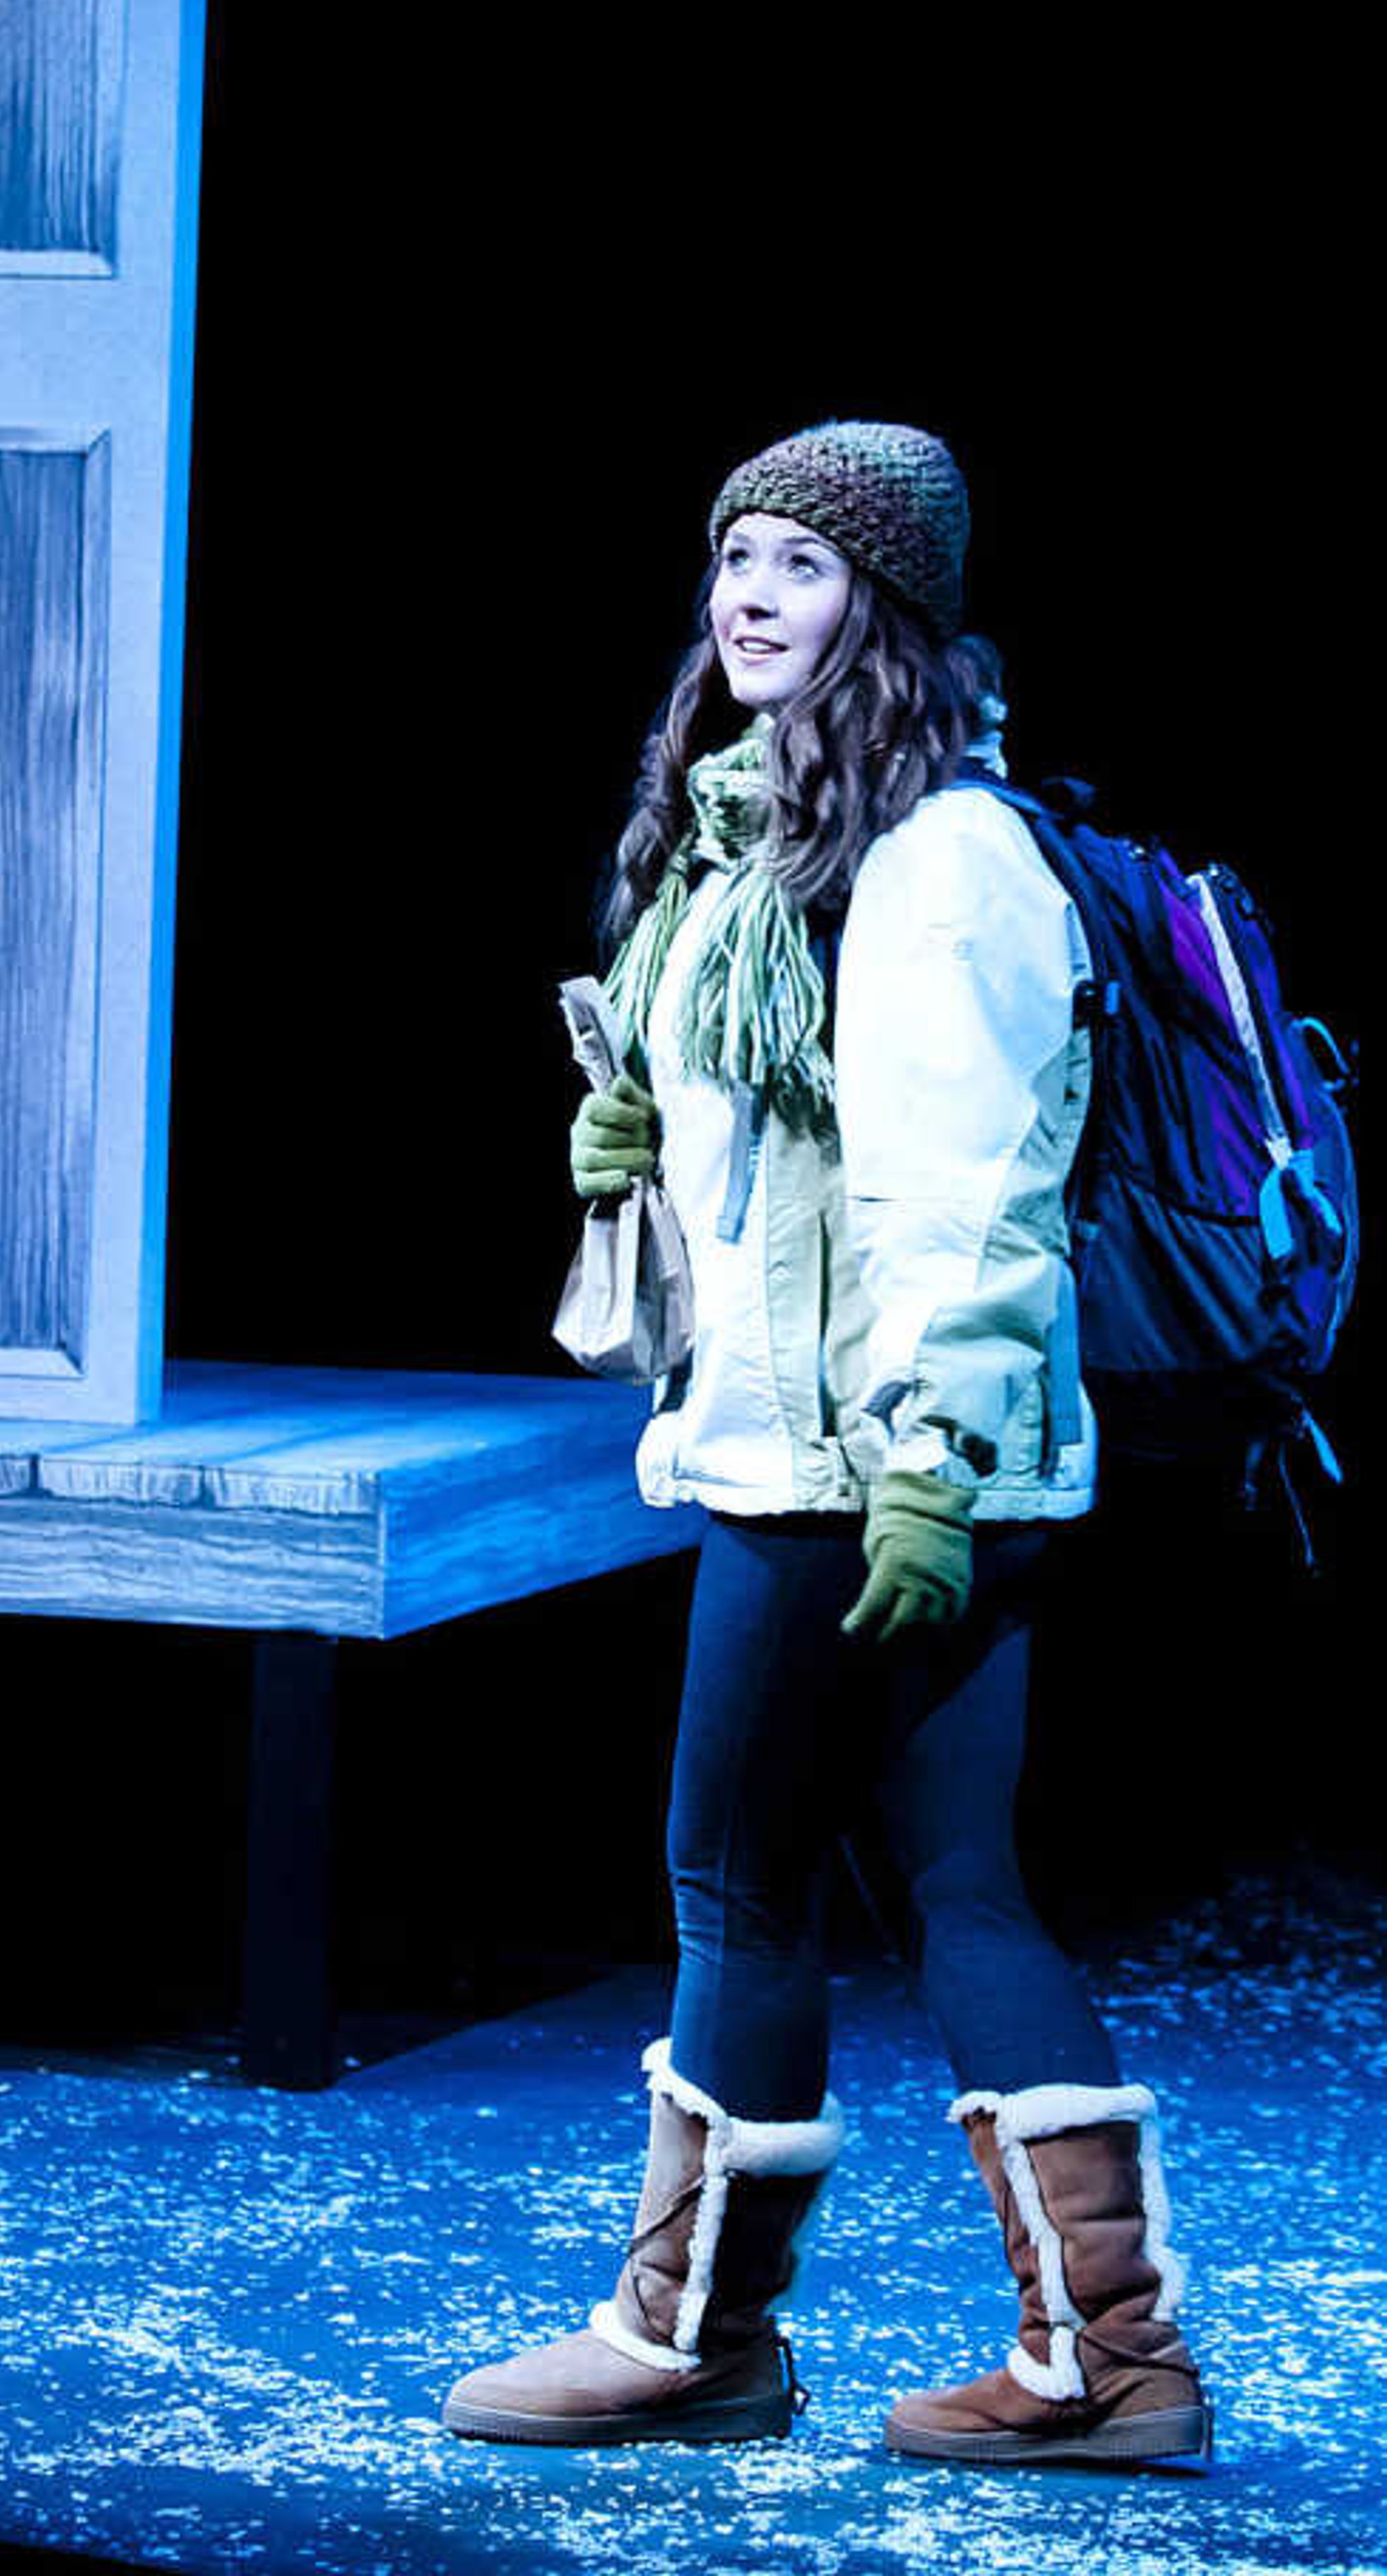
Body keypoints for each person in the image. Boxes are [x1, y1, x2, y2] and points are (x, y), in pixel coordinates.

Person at [442, 418, 1213, 2469]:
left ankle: (692, 2337)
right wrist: (649, 1136)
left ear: (893, 602)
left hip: (859, 1466)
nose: (750, 599)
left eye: (801, 565)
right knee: (963, 1886)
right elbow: (797, 1131)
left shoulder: (941, 856)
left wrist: (934, 1464)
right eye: (735, 559)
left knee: (737, 1879)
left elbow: (966, 1191)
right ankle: (1106, 2367)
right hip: (864, 1442)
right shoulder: (768, 833)